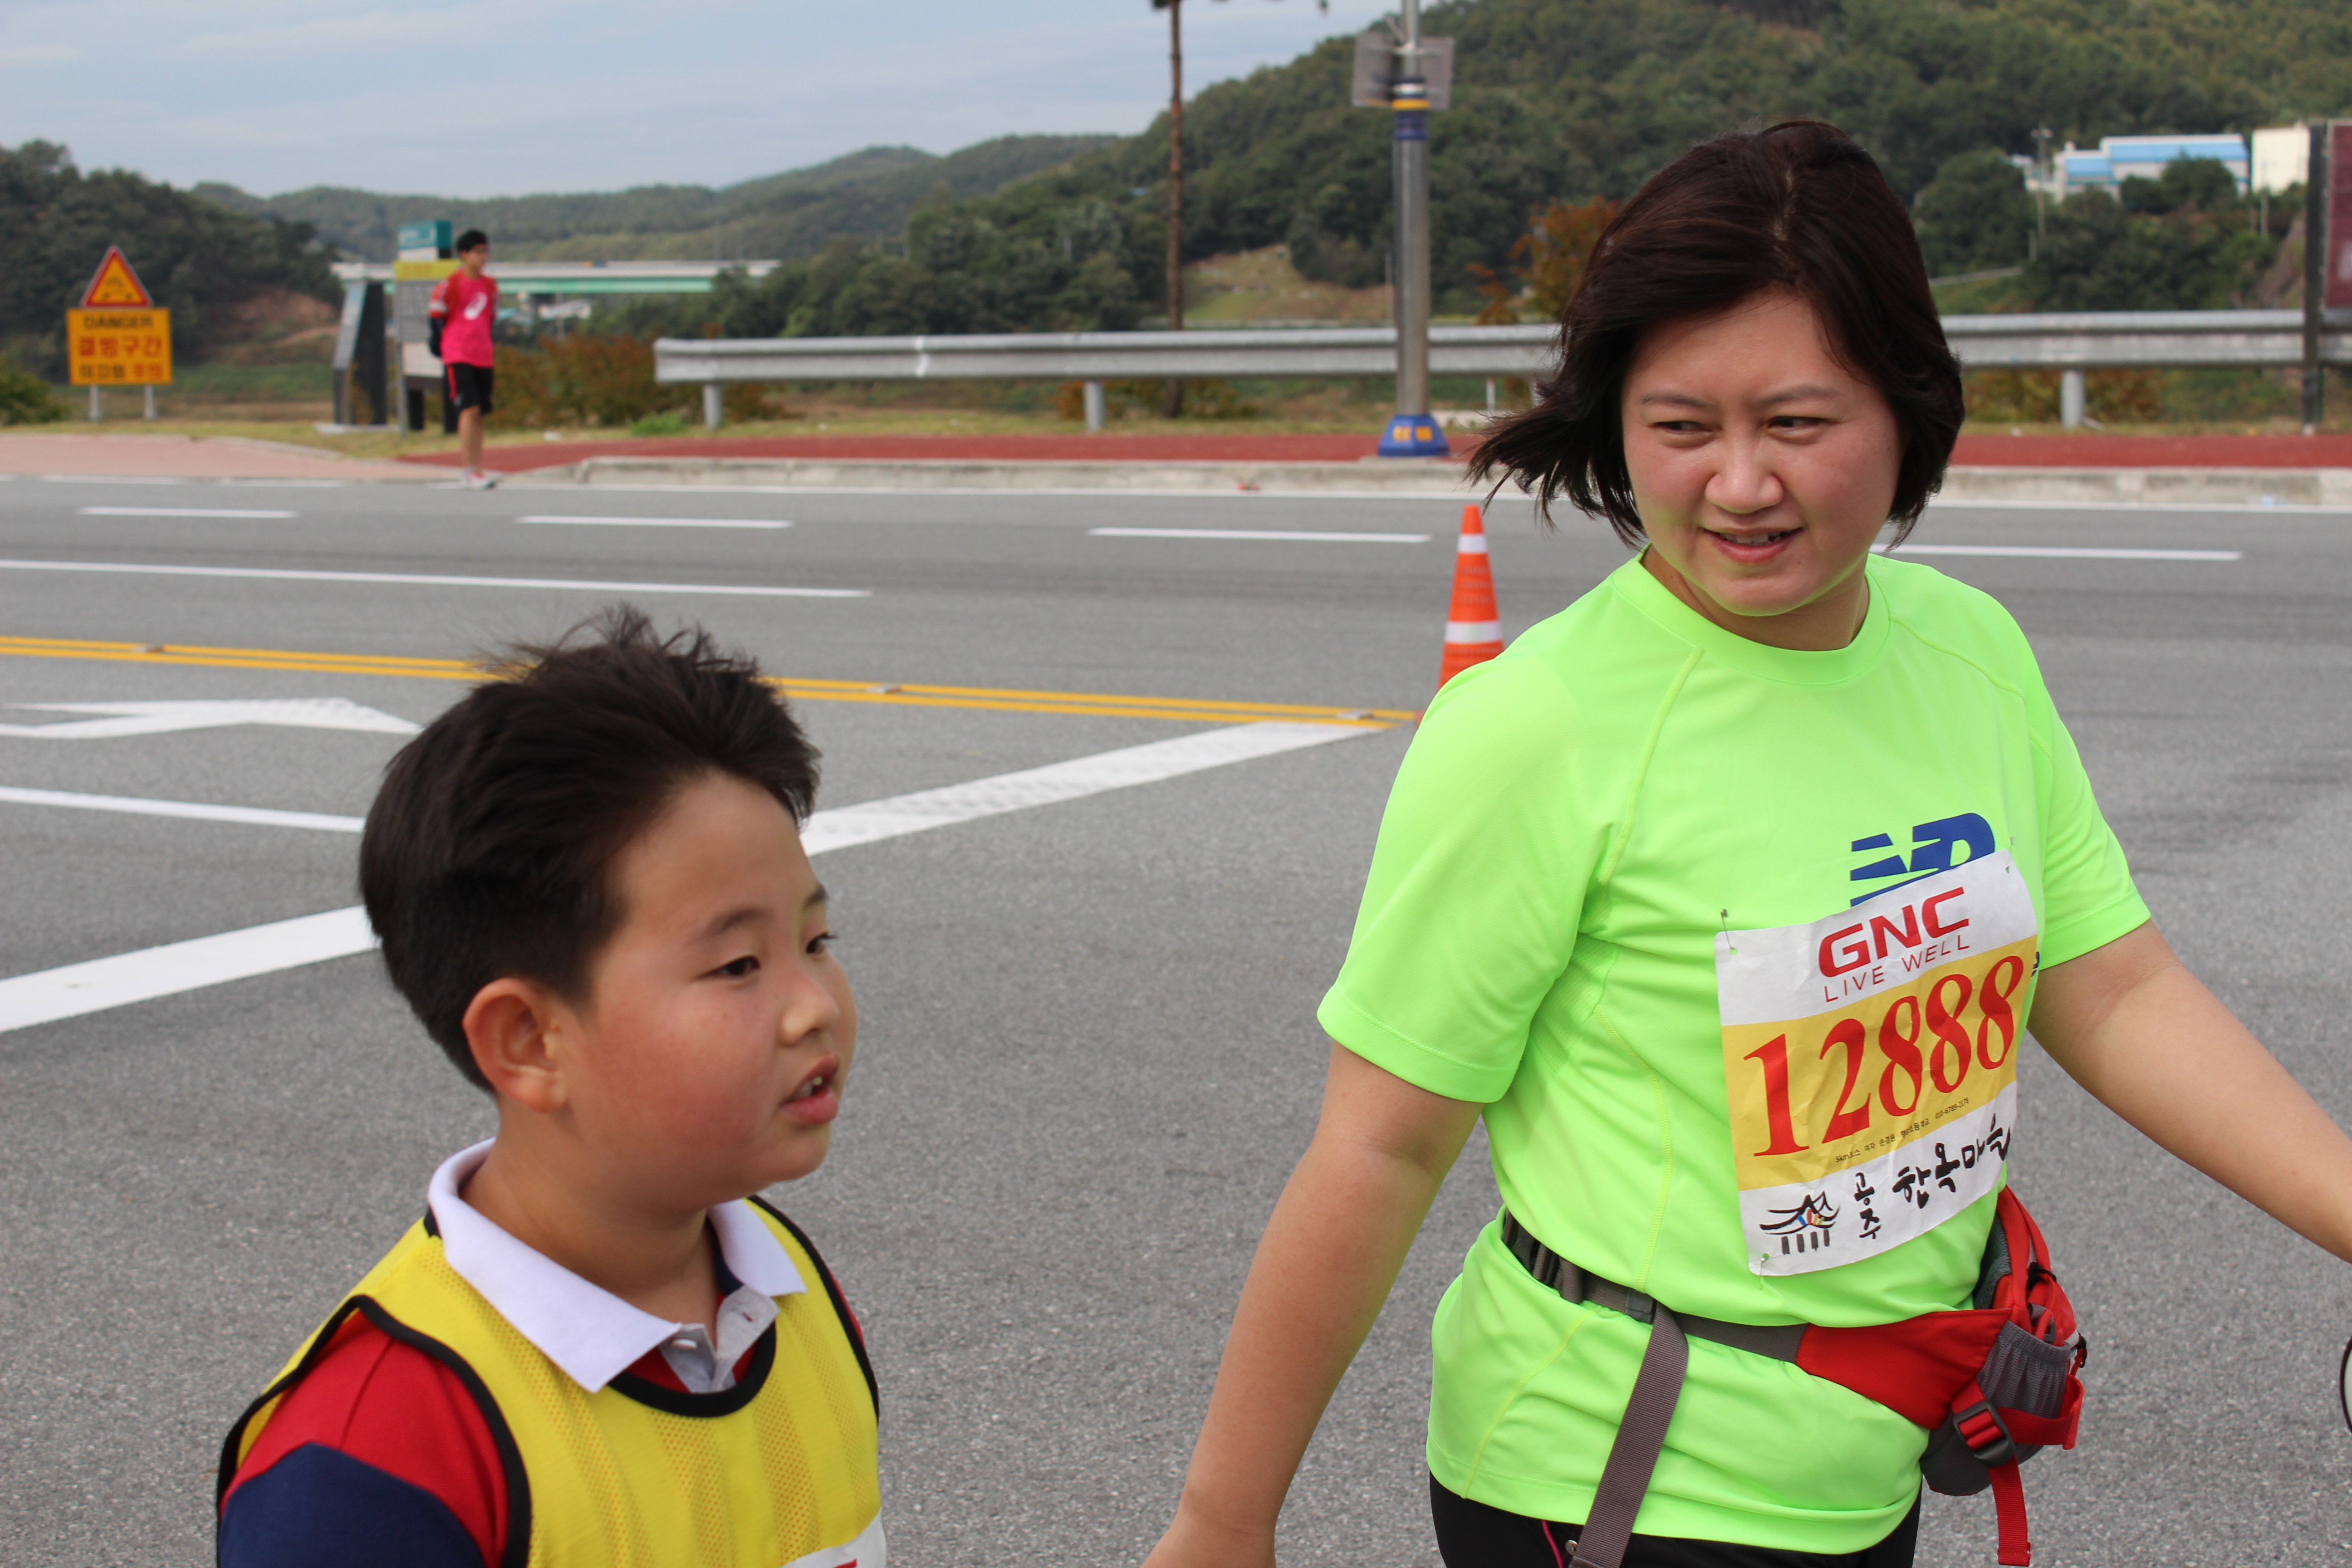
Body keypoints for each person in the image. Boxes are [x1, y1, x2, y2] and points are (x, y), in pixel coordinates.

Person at [1141, 120, 2352, 1568]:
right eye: (1680, 428)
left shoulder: (1970, 652)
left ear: (1906, 409)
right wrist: (1224, 1522)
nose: (1737, 484)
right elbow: (1378, 1149)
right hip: (1612, 1484)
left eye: (1796, 423)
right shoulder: (1540, 725)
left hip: (1870, 1469)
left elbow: (2116, 990)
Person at [215, 607, 882, 1568]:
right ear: (528, 1041)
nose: (812, 1006)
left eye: (816, 941)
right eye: (738, 964)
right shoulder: (370, 1464)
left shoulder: (786, 1286)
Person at [430, 229, 499, 490]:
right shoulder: (450, 285)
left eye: (486, 251)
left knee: (480, 412)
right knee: (468, 409)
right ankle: (469, 469)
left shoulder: (490, 286)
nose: (483, 257)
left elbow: (490, 318)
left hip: (483, 354)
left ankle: (478, 467)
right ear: (464, 255)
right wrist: (442, 346)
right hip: (458, 353)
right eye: (478, 252)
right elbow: (436, 317)